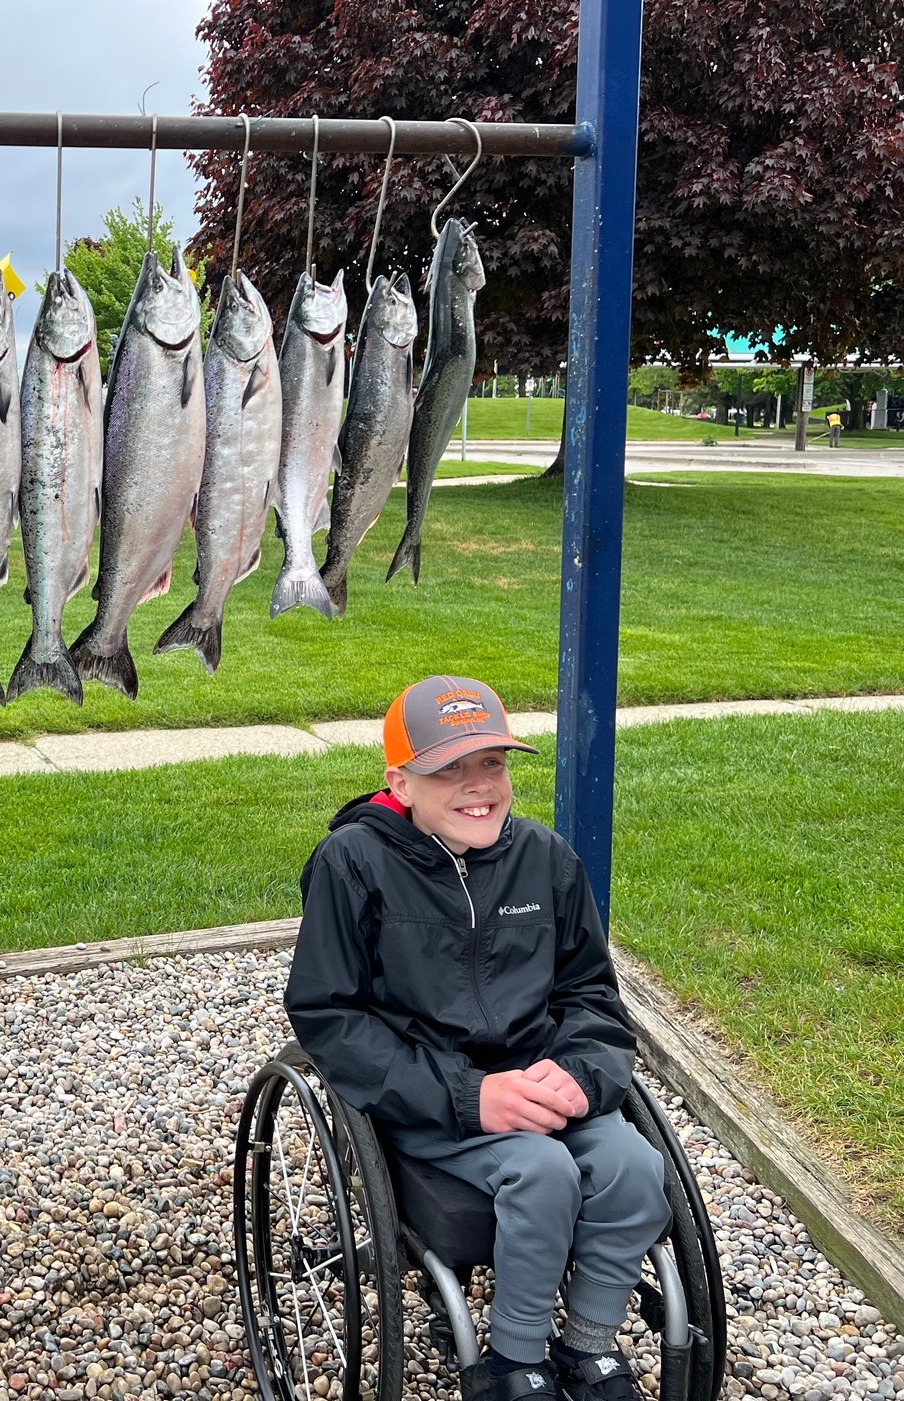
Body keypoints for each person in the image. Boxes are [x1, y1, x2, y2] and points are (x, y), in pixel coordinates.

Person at [285, 675, 671, 1401]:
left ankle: (587, 1346)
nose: (477, 786)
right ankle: (513, 1362)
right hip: (427, 1095)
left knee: (633, 1166)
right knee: (544, 1173)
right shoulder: (354, 864)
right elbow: (329, 1015)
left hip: (540, 1078)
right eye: (448, 768)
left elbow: (590, 993)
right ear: (399, 780)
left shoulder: (545, 858)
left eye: (491, 762)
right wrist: (470, 1094)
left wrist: (584, 1076)